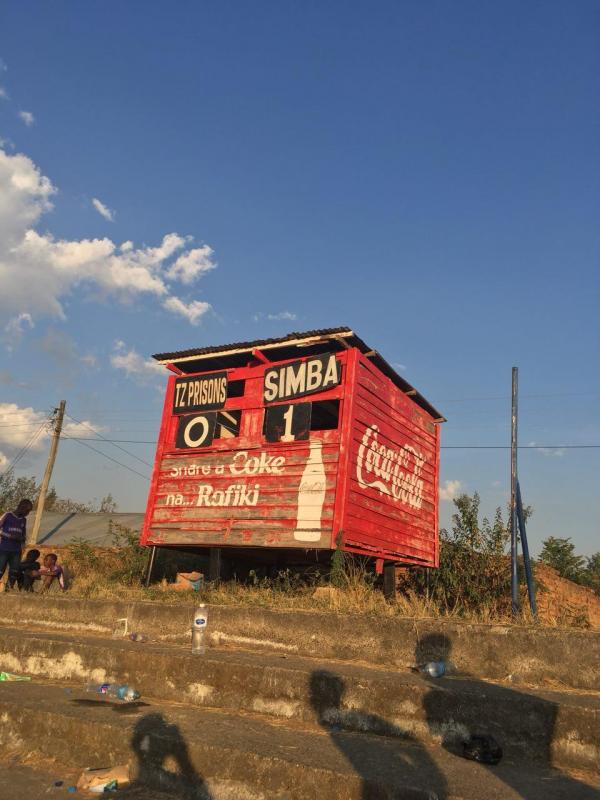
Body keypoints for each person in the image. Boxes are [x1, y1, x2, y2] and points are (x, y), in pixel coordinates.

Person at [0, 499, 33, 590]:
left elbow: (23, 534)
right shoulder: (7, 515)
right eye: (27, 511)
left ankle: (8, 589)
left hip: (16, 551)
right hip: (4, 549)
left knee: (14, 571)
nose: (28, 513)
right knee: (0, 570)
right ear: (21, 507)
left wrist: (23, 543)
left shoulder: (23, 520)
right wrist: (10, 536)